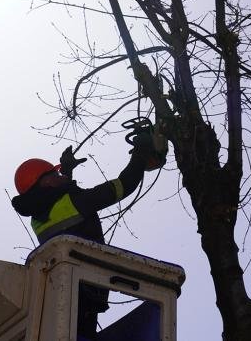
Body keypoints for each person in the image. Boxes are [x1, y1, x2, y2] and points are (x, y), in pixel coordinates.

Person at [11, 137, 160, 340]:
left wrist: (66, 174)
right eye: (54, 174)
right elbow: (124, 186)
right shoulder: (75, 201)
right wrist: (140, 155)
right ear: (45, 182)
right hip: (87, 288)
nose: (58, 174)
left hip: (62, 292)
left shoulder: (37, 219)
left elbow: (58, 204)